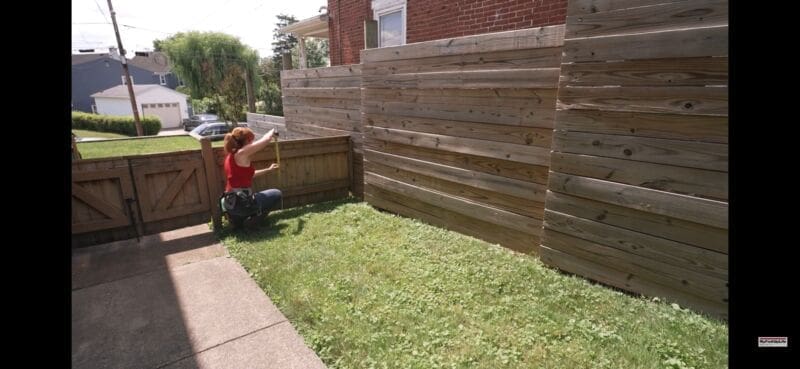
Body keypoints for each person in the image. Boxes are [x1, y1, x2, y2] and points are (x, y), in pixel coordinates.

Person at [222, 127, 282, 227]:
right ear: (247, 141)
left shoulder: (231, 156)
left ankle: (238, 221)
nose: (252, 144)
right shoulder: (242, 153)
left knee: (254, 199)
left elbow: (250, 174)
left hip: (230, 203)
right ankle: (252, 222)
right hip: (241, 204)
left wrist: (268, 169)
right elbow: (265, 140)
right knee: (276, 193)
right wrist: (272, 131)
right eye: (251, 141)